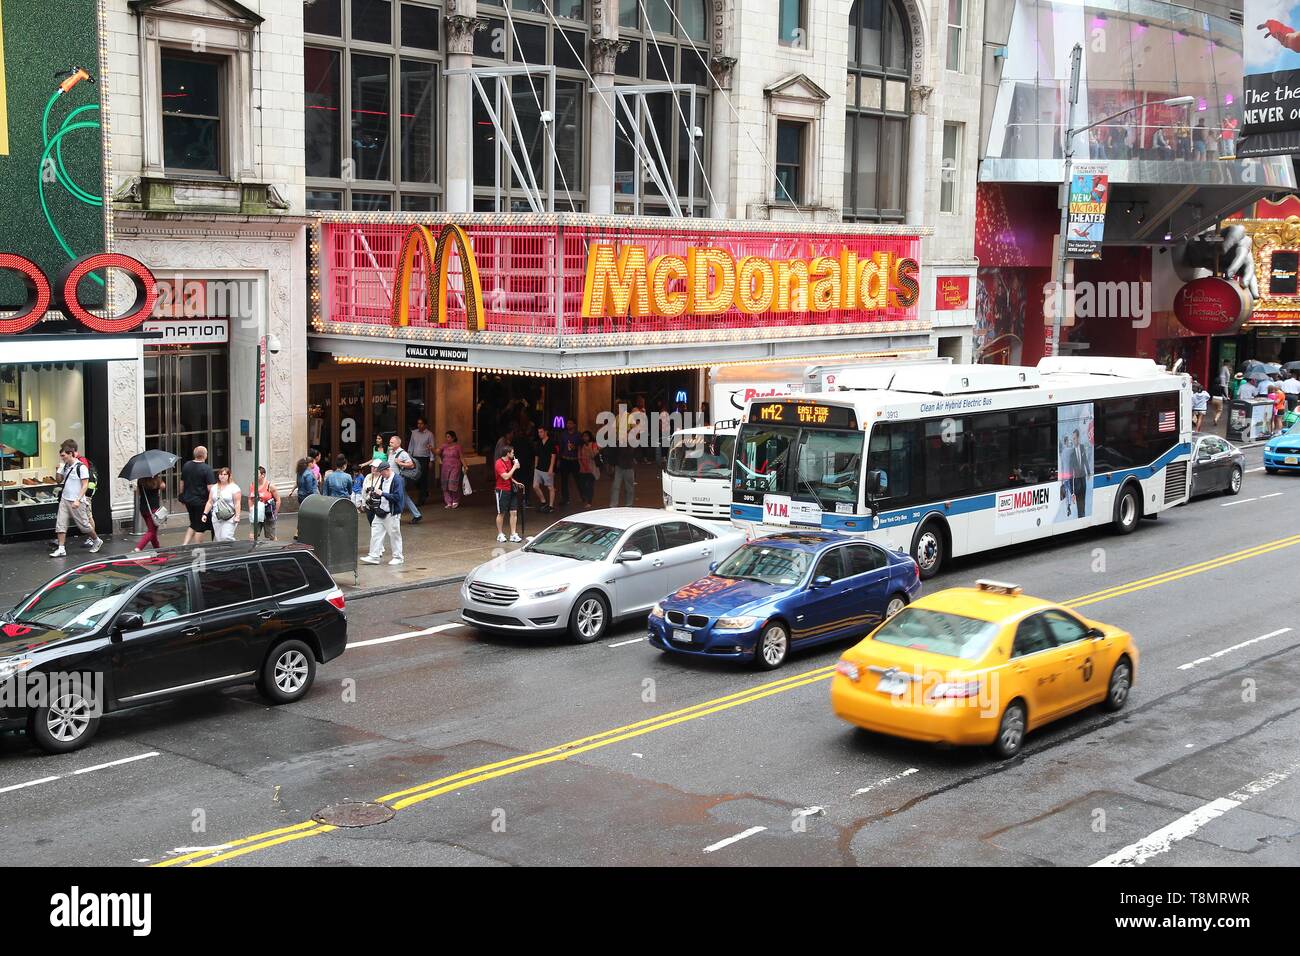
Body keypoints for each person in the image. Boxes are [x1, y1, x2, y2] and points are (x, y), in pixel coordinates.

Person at [50, 440, 102, 557]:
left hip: (76, 500)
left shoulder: (81, 467)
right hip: (65, 498)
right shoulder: (66, 466)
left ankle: (96, 540)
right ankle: (61, 548)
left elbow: (85, 485)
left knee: (84, 525)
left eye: (63, 456)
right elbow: (59, 480)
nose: (62, 458)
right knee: (61, 523)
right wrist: (58, 470)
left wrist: (78, 499)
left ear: (70, 453)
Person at [360, 459, 404, 565]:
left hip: (392, 512)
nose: (381, 475)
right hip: (381, 511)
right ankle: (374, 556)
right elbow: (381, 492)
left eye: (382, 472)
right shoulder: (384, 478)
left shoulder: (397, 480)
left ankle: (398, 557)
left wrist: (382, 493)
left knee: (394, 534)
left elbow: (398, 497)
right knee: (375, 532)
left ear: (388, 470)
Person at [179, 445, 216, 545]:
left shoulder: (186, 465)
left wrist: (182, 495)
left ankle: (184, 544)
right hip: (201, 502)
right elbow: (210, 488)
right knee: (200, 527)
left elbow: (181, 482)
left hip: (188, 500)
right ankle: (198, 547)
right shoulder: (207, 469)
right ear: (205, 455)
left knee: (194, 524)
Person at [387, 435, 423, 524]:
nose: (390, 443)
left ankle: (396, 515)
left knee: (400, 496)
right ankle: (416, 515)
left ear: (398, 443)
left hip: (399, 478)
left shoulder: (403, 453)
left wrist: (399, 463)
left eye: (392, 442)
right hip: (392, 478)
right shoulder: (391, 452)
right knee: (403, 496)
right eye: (390, 442)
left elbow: (411, 465)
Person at [204, 466, 242, 542]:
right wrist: (205, 514)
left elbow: (237, 503)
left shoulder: (234, 488)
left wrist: (237, 516)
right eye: (221, 474)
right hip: (216, 516)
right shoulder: (214, 487)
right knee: (219, 539)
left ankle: (234, 549)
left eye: (225, 474)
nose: (222, 476)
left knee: (226, 537)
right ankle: (224, 552)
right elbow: (210, 501)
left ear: (229, 476)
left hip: (230, 516)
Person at [494, 445, 522, 543]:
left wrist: (515, 482)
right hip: (502, 490)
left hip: (511, 489)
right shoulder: (498, 463)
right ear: (508, 453)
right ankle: (500, 534)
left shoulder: (509, 461)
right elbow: (505, 476)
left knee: (514, 512)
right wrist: (514, 467)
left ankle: (513, 534)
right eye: (512, 453)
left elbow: (510, 477)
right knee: (501, 513)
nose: (513, 454)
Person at [407, 417, 435, 506]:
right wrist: (409, 457)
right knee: (415, 478)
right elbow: (411, 445)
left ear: (425, 425)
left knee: (423, 478)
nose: (419, 425)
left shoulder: (429, 434)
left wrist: (431, 460)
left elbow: (432, 447)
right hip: (415, 458)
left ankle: (421, 499)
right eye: (418, 423)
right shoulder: (414, 433)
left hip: (424, 458)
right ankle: (425, 491)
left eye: (421, 423)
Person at [248, 466, 281, 541]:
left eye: (257, 474)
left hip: (267, 512)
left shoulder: (270, 486)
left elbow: (278, 500)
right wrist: (250, 509)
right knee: (252, 535)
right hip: (257, 512)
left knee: (271, 535)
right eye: (254, 474)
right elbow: (250, 498)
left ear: (263, 475)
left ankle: (275, 548)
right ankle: (253, 550)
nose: (255, 476)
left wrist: (275, 513)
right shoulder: (252, 485)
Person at [437, 430, 467, 509]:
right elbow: (437, 452)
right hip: (445, 468)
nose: (447, 439)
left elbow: (461, 457)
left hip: (455, 467)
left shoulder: (458, 447)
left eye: (448, 437)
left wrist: (465, 466)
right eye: (446, 437)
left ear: (453, 438)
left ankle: (455, 500)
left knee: (452, 483)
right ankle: (448, 502)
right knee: (445, 484)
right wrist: (431, 448)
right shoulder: (444, 446)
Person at [134, 475, 164, 551]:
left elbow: (138, 493)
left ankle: (157, 548)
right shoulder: (156, 480)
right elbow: (163, 486)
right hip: (153, 509)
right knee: (151, 531)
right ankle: (138, 548)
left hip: (144, 509)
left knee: (152, 530)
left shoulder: (140, 480)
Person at [533, 424, 557, 513]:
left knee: (550, 487)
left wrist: (551, 468)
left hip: (547, 468)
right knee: (535, 486)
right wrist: (535, 466)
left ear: (546, 432)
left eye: (541, 432)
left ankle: (551, 506)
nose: (539, 434)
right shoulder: (539, 443)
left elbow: (553, 456)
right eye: (538, 432)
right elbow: (537, 455)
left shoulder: (551, 442)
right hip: (539, 467)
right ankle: (543, 501)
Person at [557, 419, 580, 506]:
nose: (568, 425)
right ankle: (565, 498)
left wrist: (575, 447)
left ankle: (583, 495)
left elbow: (580, 446)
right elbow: (560, 446)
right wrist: (559, 459)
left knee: (578, 479)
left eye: (570, 423)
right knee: (564, 481)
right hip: (565, 459)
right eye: (567, 423)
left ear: (574, 425)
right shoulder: (563, 434)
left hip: (574, 459)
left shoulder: (578, 435)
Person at [609, 438, 637, 508]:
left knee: (629, 488)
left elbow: (634, 454)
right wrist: (612, 465)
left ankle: (629, 504)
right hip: (619, 466)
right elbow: (613, 455)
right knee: (616, 486)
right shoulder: (617, 443)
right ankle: (614, 504)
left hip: (629, 467)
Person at [1071, 429, 1090, 518]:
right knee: (1079, 505)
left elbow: (1085, 460)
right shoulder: (1072, 454)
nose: (1073, 440)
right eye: (1073, 439)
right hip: (1077, 483)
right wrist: (1072, 492)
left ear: (1078, 438)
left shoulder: (1082, 447)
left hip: (1083, 480)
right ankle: (1080, 519)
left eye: (1074, 438)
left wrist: (1088, 472)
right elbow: (1071, 474)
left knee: (1084, 503)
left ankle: (1084, 518)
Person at [577, 430, 599, 508]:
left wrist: (589, 448)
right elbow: (579, 457)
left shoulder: (593, 445)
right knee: (582, 485)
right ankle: (584, 497)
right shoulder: (581, 446)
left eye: (586, 436)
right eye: (583, 436)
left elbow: (594, 455)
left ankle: (589, 501)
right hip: (583, 468)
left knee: (590, 485)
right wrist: (581, 465)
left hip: (592, 468)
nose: (585, 438)